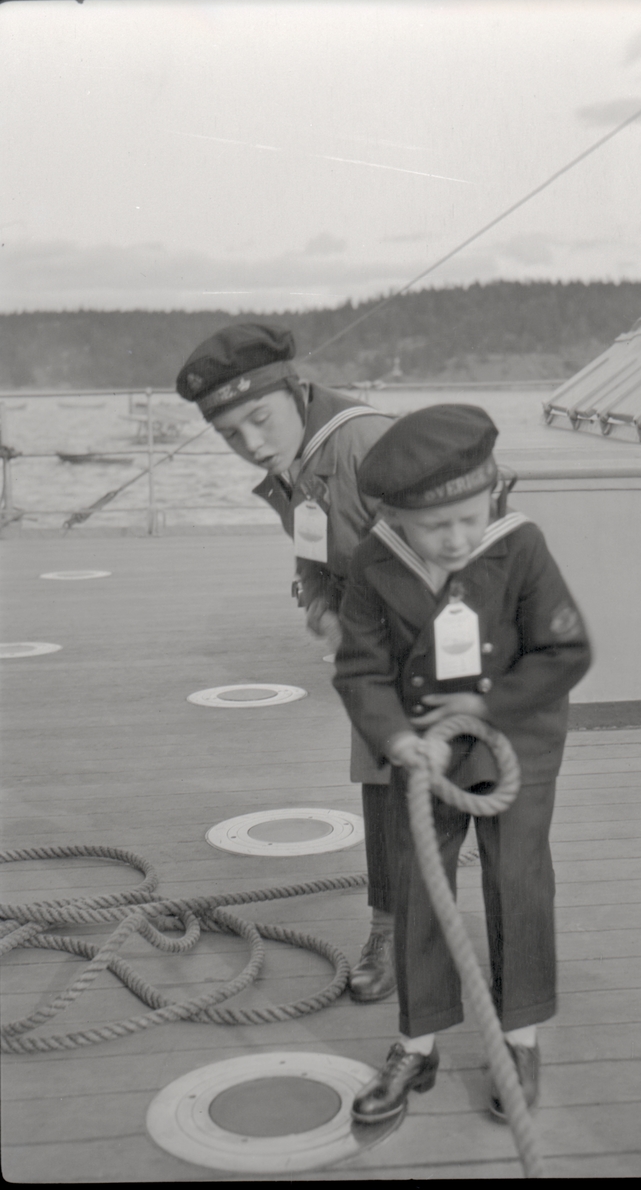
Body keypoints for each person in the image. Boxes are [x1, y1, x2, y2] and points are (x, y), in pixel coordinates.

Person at [332, 404, 592, 1123]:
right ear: (397, 520)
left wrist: (483, 711)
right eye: (433, 527)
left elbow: (565, 653)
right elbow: (360, 669)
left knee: (518, 882)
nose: (454, 539)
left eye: (469, 519)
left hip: (518, 741)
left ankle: (519, 1040)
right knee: (418, 889)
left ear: (494, 494)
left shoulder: (522, 548)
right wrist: (394, 737)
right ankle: (416, 1046)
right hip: (423, 751)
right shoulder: (375, 561)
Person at [175, 321, 399, 1002]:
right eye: (230, 434)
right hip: (379, 652)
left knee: (466, 805)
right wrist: (321, 602)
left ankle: (495, 970)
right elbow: (318, 551)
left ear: (295, 390)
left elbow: (455, 553)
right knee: (385, 790)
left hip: (452, 650)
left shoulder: (369, 445)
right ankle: (392, 930)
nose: (252, 444)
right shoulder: (297, 460)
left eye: (258, 419)